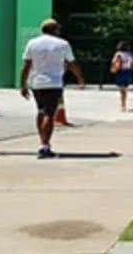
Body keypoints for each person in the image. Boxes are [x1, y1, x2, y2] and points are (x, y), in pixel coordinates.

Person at [19, 18, 85, 159]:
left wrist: (22, 84)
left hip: (36, 83)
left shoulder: (32, 43)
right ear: (55, 30)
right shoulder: (62, 44)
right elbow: (72, 63)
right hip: (54, 83)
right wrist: (80, 79)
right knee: (50, 113)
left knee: (41, 111)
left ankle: (42, 140)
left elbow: (26, 65)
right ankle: (45, 146)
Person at [110, 41, 133, 112]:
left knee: (121, 90)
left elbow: (113, 62)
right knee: (124, 89)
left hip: (120, 72)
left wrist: (114, 68)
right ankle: (124, 104)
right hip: (127, 72)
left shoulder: (117, 54)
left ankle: (123, 105)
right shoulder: (129, 54)